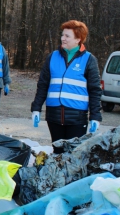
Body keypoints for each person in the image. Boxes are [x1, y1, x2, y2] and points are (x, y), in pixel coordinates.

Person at [30, 20, 102, 154]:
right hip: (54, 116)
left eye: (67, 36)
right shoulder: (52, 57)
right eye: (62, 35)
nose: (63, 38)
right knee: (57, 152)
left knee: (74, 155)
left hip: (77, 118)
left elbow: (95, 90)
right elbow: (43, 85)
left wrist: (95, 116)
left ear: (78, 39)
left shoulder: (89, 59)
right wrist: (36, 108)